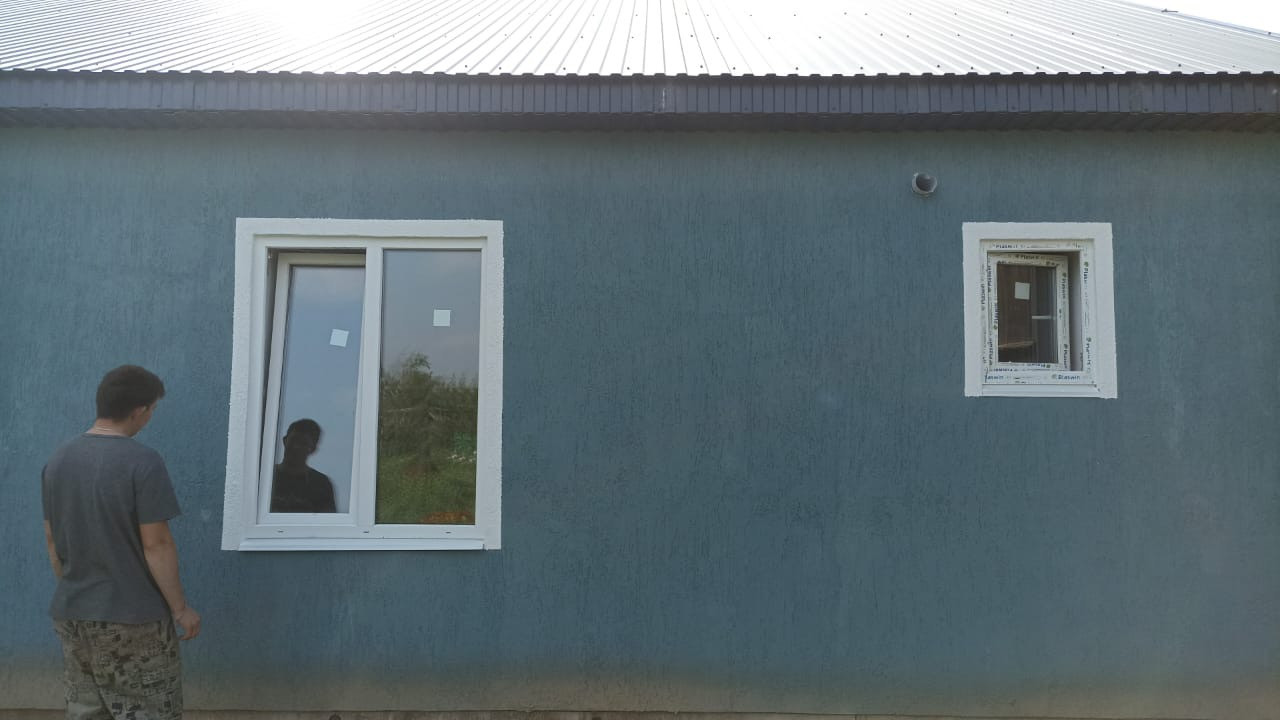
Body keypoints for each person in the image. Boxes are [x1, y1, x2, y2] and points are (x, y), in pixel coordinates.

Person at [42, 365, 200, 720]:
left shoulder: (57, 461)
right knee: (148, 711)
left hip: (74, 613)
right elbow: (157, 544)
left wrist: (78, 591)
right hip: (134, 619)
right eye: (152, 409)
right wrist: (180, 609)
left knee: (87, 711)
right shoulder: (143, 462)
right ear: (139, 410)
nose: (150, 417)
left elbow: (52, 540)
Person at [269, 418, 337, 513]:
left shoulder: (321, 484)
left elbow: (327, 521)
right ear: (284, 441)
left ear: (313, 449)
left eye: (303, 443)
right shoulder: (267, 478)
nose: (296, 447)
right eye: (293, 440)